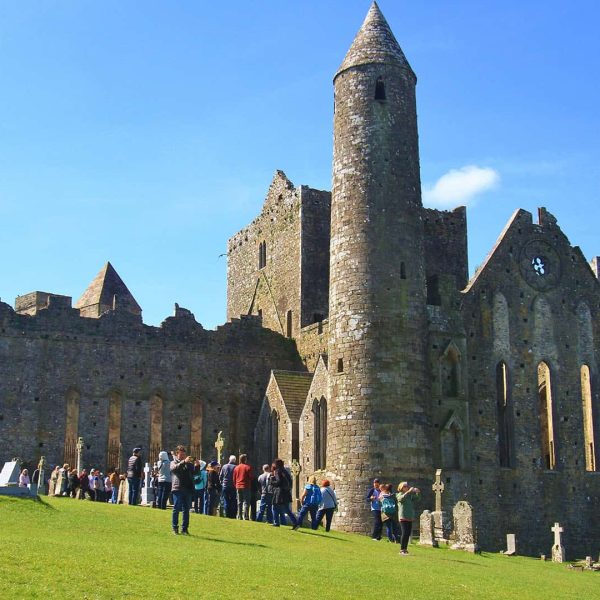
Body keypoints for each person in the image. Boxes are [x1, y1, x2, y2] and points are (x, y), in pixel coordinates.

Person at [170, 445, 195, 535]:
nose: (183, 456)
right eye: (181, 454)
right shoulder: (173, 462)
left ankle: (184, 529)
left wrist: (197, 466)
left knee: (186, 510)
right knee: (176, 509)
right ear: (177, 454)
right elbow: (174, 469)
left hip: (187, 488)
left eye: (184, 454)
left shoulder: (188, 464)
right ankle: (175, 528)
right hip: (178, 488)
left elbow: (194, 473)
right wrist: (184, 462)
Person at [270, 459, 297, 528]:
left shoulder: (277, 471)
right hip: (286, 492)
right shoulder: (284, 471)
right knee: (287, 509)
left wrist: (272, 481)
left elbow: (279, 482)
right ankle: (296, 523)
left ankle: (276, 522)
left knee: (274, 507)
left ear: (276, 464)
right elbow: (289, 482)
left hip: (279, 493)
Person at [397, 482, 420, 555]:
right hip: (403, 516)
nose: (407, 487)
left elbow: (417, 499)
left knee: (408, 533)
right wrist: (408, 492)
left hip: (409, 516)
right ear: (401, 487)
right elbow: (401, 499)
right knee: (404, 533)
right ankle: (402, 549)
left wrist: (418, 492)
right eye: (405, 486)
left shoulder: (410, 496)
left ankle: (405, 549)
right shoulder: (399, 494)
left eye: (407, 486)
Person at [233, 454, 253, 520]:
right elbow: (251, 477)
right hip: (246, 486)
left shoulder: (236, 467)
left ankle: (239, 516)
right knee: (246, 502)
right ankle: (246, 516)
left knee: (239, 502)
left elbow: (234, 478)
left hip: (238, 486)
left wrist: (236, 485)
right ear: (245, 460)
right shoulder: (247, 467)